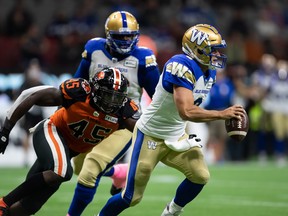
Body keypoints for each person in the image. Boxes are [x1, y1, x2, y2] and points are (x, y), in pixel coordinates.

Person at [96, 24, 246, 216]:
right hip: (151, 134)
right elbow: (187, 112)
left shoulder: (210, 72)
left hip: (176, 135)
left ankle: (172, 211)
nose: (216, 55)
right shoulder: (180, 65)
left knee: (200, 176)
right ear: (196, 49)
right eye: (212, 50)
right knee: (131, 198)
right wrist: (221, 114)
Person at [0, 67, 139, 216]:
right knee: (62, 172)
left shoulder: (124, 113)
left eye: (116, 97)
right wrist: (5, 132)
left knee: (30, 205)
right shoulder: (80, 93)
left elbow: (144, 134)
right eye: (107, 96)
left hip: (67, 151)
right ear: (95, 90)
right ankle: (4, 202)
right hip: (51, 131)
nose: (111, 102)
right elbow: (32, 95)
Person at [67, 10, 160, 216]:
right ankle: (118, 173)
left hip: (123, 123)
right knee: (79, 169)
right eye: (121, 37)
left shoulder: (144, 58)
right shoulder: (94, 49)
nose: (126, 41)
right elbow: (76, 83)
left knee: (91, 170)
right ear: (109, 35)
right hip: (92, 118)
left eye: (130, 36)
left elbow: (159, 97)